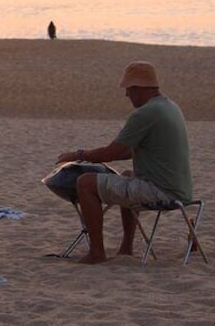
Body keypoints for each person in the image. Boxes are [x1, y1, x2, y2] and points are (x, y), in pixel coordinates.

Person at [57, 61, 193, 264]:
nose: (126, 94)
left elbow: (112, 152)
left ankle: (96, 253)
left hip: (161, 191)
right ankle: (126, 248)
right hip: (181, 190)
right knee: (127, 176)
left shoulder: (145, 113)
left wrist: (78, 154)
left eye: (129, 89)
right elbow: (129, 151)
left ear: (139, 88)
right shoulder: (170, 106)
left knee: (85, 183)